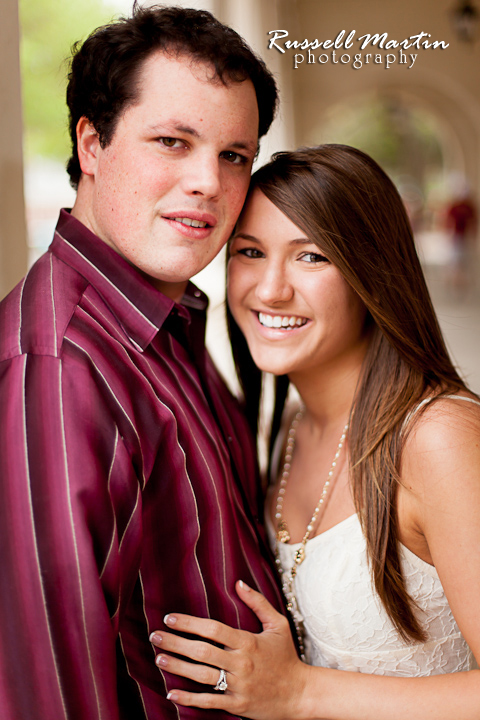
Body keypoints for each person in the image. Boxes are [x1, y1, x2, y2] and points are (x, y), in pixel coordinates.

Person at [0, 5, 287, 719]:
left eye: (233, 155)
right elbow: (49, 694)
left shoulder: (169, 320)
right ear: (92, 144)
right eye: (171, 141)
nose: (208, 183)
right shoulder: (58, 366)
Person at [149, 145, 480, 719]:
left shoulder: (437, 438)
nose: (271, 289)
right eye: (250, 252)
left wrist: (299, 691)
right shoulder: (287, 429)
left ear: (371, 273)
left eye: (311, 257)